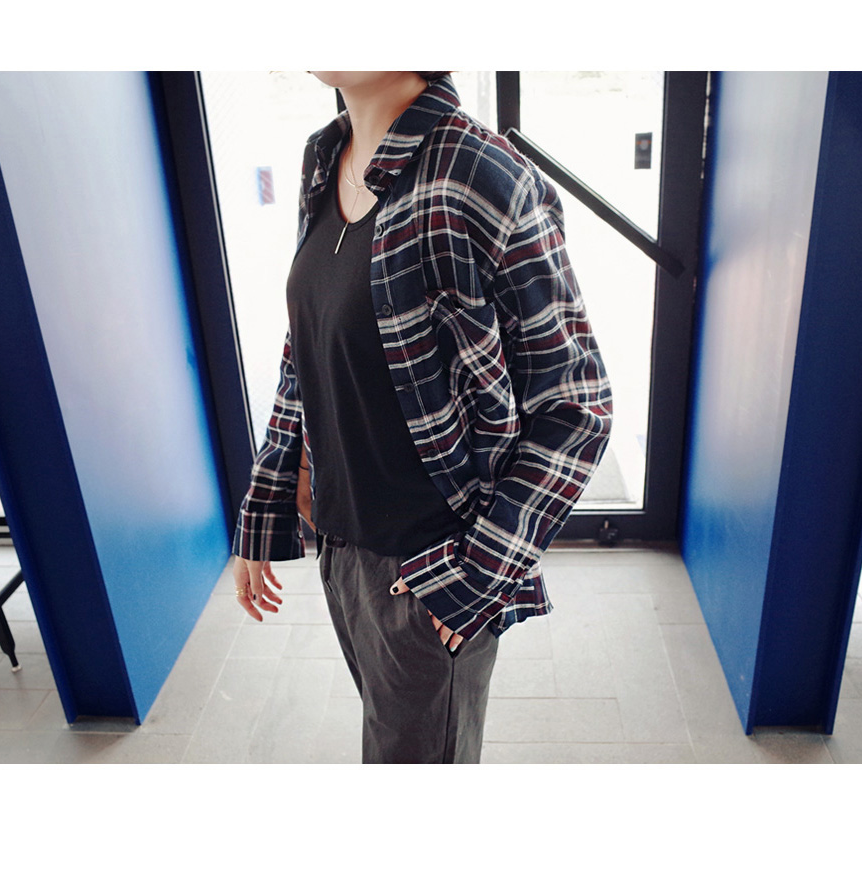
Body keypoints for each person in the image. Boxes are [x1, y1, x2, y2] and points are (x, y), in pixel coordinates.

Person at [231, 71, 612, 763]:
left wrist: (475, 578)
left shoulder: (481, 175)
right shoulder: (325, 157)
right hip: (342, 548)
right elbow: (307, 343)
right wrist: (268, 497)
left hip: (432, 569)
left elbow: (575, 405)